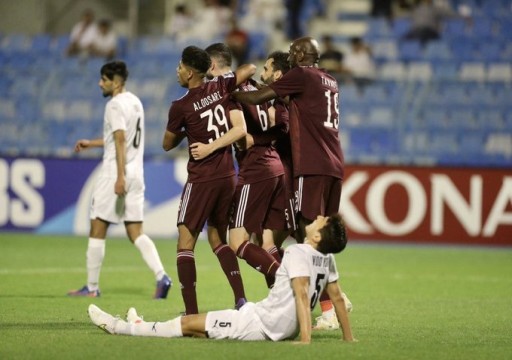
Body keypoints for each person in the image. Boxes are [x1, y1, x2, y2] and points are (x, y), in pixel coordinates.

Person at [231, 36, 351, 329]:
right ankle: (328, 300)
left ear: (300, 54)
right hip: (334, 164)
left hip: (310, 165)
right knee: (307, 232)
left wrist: (229, 92)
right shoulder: (329, 80)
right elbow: (291, 101)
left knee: (307, 231)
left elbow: (259, 98)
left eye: (293, 51)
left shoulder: (301, 74)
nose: (291, 54)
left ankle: (329, 301)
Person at [88, 214, 356, 344]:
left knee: (187, 323)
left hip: (260, 324)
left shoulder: (299, 251)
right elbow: (338, 301)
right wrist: (348, 338)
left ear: (317, 237)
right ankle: (141, 324)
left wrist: (306, 339)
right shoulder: (327, 259)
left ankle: (121, 327)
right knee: (200, 329)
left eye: (321, 221)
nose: (318, 216)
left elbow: (300, 293)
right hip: (266, 318)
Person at [163, 46, 257, 314]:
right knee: (217, 238)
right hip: (228, 175)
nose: (178, 71)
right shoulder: (221, 87)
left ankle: (191, 312)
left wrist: (185, 128)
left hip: (202, 177)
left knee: (185, 240)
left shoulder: (180, 106)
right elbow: (250, 68)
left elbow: (167, 144)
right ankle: (241, 299)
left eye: (180, 67)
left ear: (191, 72)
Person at [68, 61, 171, 299]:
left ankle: (92, 288)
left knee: (97, 227)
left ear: (115, 82)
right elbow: (120, 137)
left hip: (117, 173)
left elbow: (121, 139)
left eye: (103, 79)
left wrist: (120, 176)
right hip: (137, 172)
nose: (99, 83)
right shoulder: (135, 101)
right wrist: (91, 143)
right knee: (136, 231)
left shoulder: (114, 105)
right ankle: (161, 276)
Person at [199, 43, 286, 288]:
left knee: (237, 241)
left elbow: (240, 132)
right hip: (275, 166)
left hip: (256, 168)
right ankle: (284, 298)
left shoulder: (228, 91)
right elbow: (274, 123)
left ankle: (288, 281)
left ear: (211, 65)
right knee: (266, 243)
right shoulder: (257, 89)